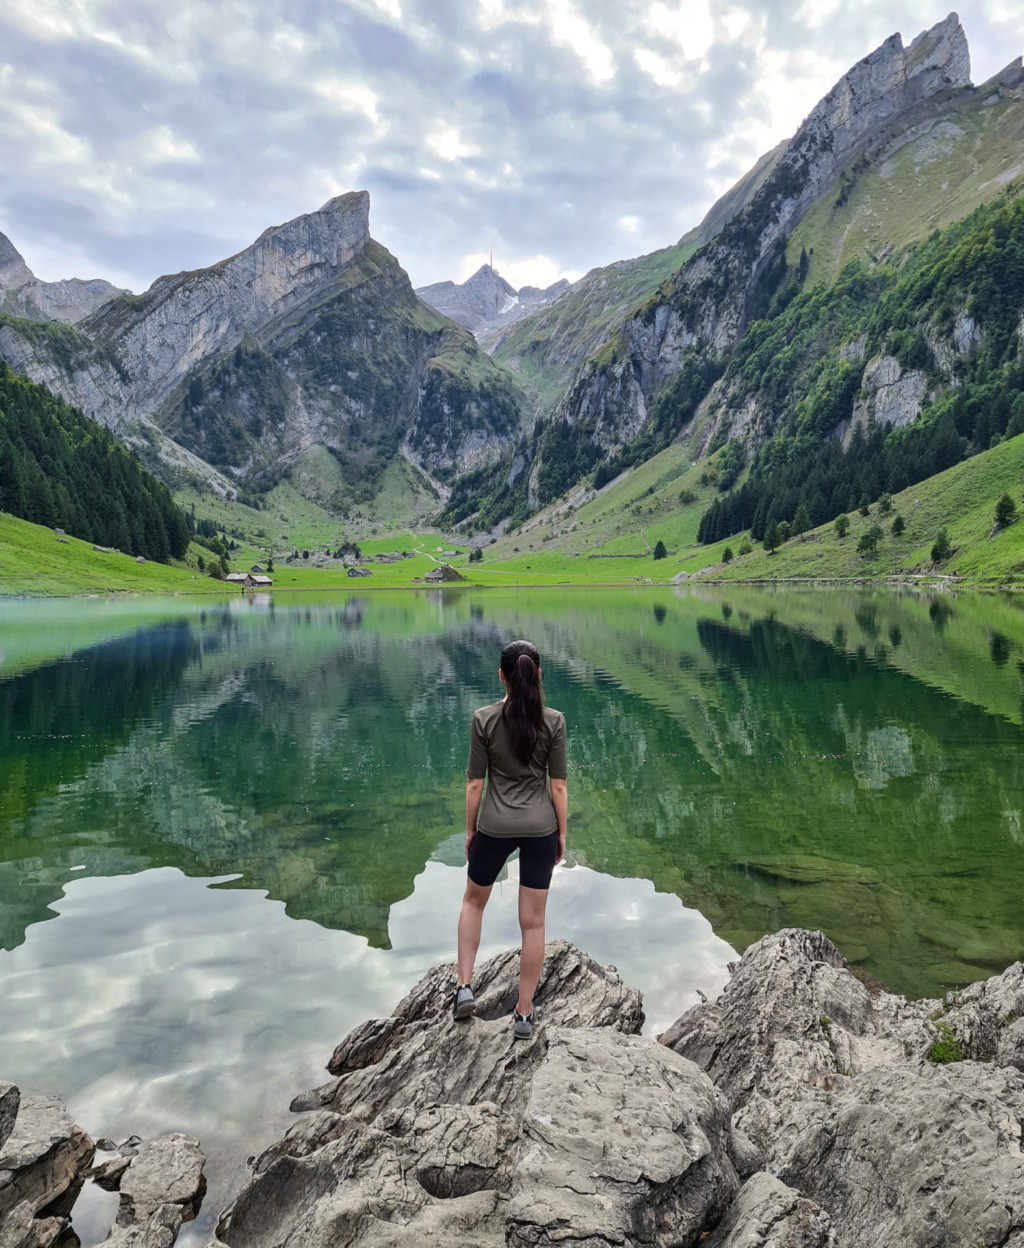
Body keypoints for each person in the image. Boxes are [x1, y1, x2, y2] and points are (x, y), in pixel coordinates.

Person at [453, 639, 567, 1039]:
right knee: (533, 925)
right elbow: (557, 787)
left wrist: (471, 831)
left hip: (494, 827)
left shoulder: (483, 719)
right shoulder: (553, 721)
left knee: (473, 901)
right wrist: (561, 833)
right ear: (538, 674)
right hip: (540, 828)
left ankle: (464, 987)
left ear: (501, 675)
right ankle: (522, 1015)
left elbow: (473, 785)